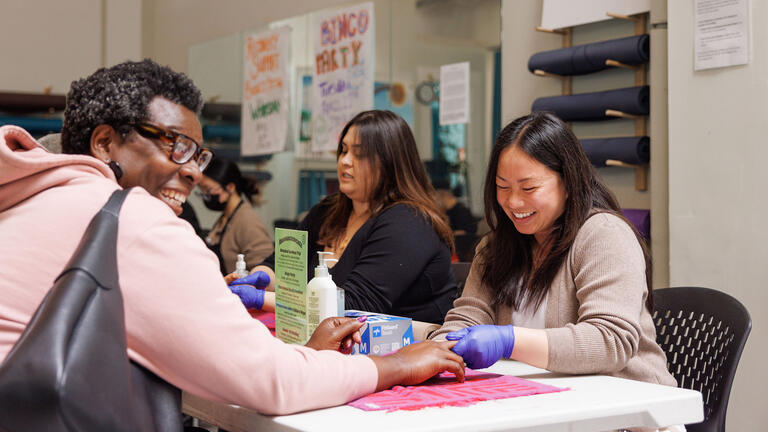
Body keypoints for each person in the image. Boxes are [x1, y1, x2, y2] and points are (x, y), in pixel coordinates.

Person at [0, 59, 465, 416]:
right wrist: (397, 366)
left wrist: (284, 326)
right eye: (175, 145)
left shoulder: (27, 197)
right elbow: (269, 383)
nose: (192, 173)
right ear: (104, 144)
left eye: (197, 155)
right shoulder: (131, 220)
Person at [429, 112, 676, 389]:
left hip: (626, 412)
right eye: (502, 187)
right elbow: (467, 317)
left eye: (529, 187)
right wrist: (440, 348)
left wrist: (509, 341)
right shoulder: (495, 247)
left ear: (568, 183)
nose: (513, 201)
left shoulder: (603, 235)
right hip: (540, 403)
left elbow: (609, 341)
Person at [252, 110, 457, 324]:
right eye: (343, 150)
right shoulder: (327, 211)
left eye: (359, 154)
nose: (345, 161)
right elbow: (280, 266)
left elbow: (353, 307)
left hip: (403, 350)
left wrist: (260, 299)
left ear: (390, 163)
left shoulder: (410, 222)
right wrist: (256, 279)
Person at [199, 157, 273, 275]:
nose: (205, 195)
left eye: (208, 189)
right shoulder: (226, 217)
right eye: (202, 190)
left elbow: (264, 267)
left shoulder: (247, 220)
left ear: (230, 187)